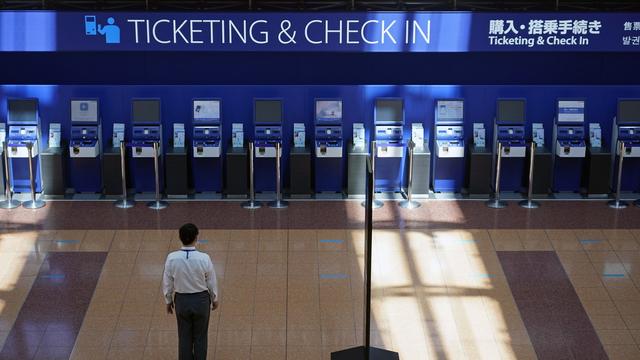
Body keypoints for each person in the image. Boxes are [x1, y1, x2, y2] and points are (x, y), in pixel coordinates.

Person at [162, 223, 219, 360]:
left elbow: (167, 281)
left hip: (181, 300)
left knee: (184, 336)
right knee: (200, 336)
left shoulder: (172, 258)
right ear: (196, 237)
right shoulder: (204, 258)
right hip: (201, 301)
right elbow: (211, 281)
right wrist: (214, 298)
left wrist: (168, 300)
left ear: (180, 237)